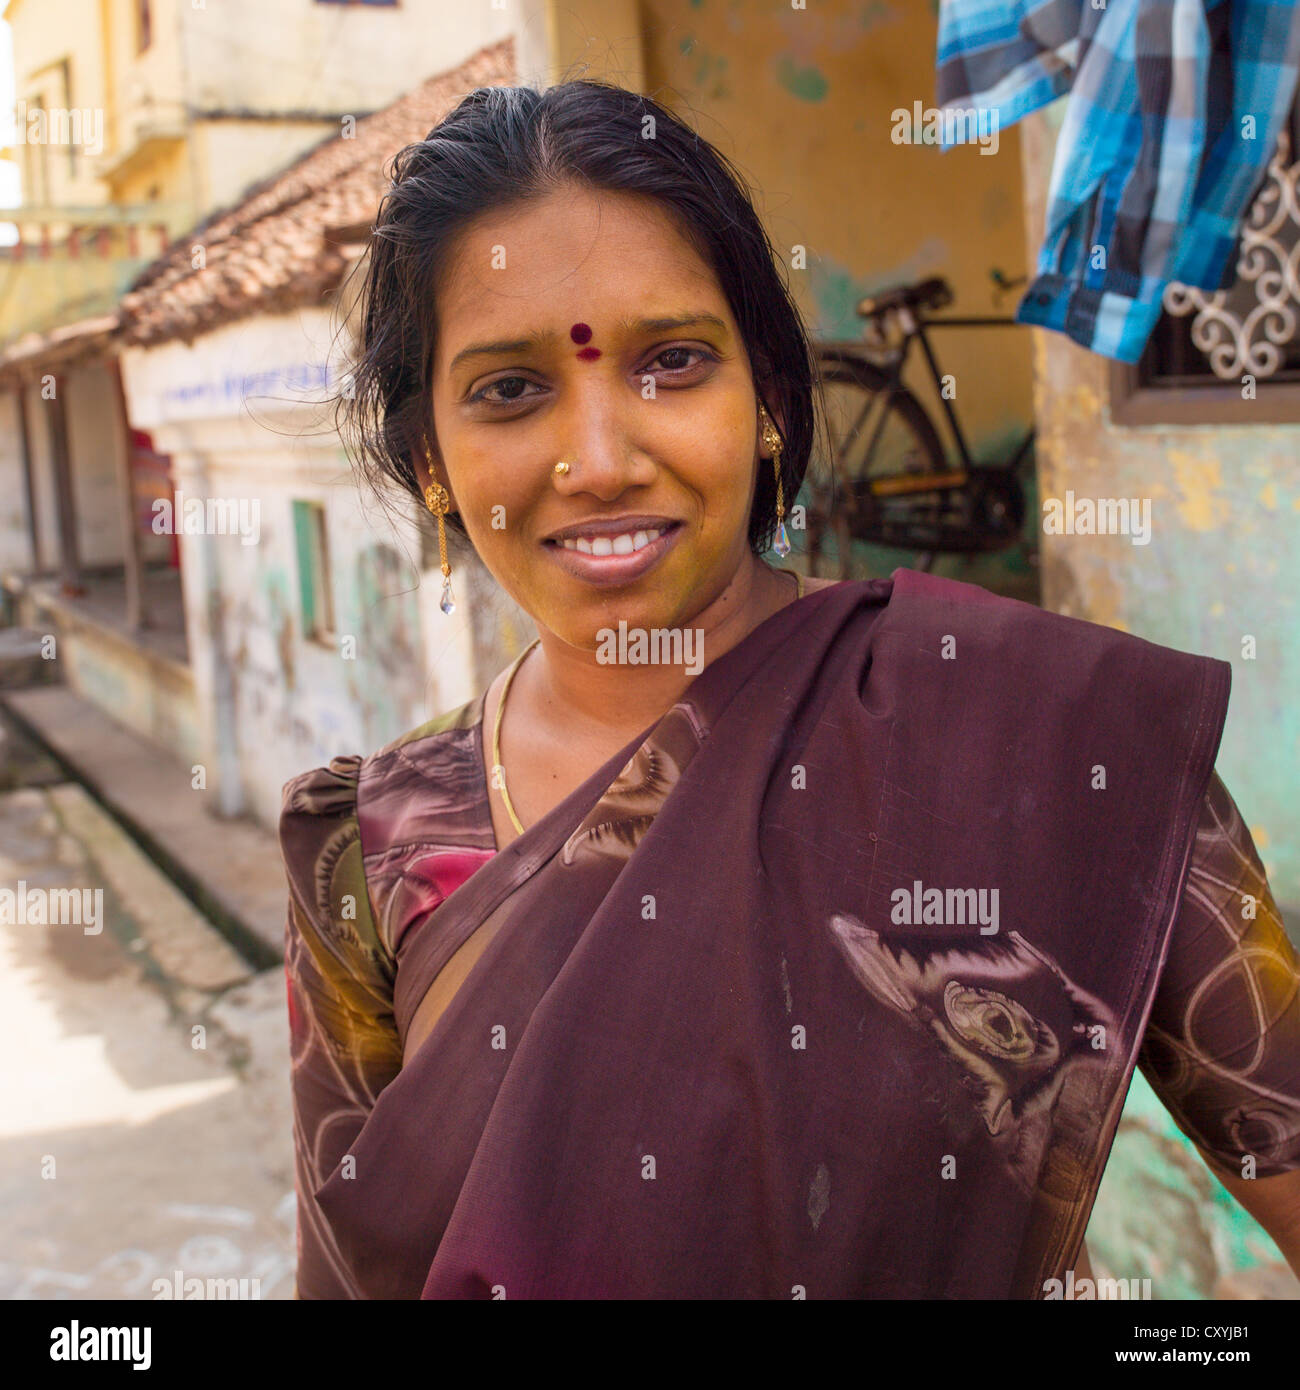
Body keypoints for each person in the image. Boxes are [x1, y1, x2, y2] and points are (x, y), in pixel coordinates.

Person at [279, 81, 1300, 1299]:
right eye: (509, 387)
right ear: (428, 460)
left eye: (670, 362)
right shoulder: (368, 847)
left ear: (766, 401)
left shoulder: (1047, 739)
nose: (600, 459)